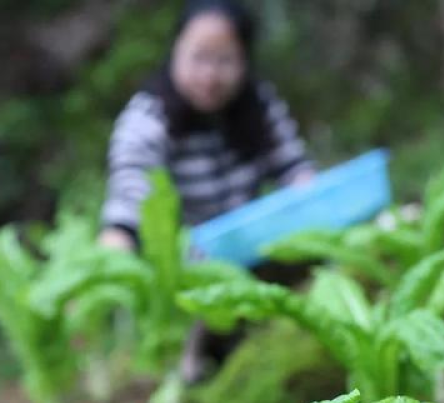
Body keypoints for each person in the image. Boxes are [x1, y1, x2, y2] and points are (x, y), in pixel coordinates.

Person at [99, 0, 315, 380]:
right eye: (198, 58)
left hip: (256, 266)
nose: (210, 76)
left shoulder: (258, 106)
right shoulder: (148, 121)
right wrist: (100, 273)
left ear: (245, 60)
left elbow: (296, 173)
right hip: (188, 288)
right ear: (175, 51)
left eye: (225, 60)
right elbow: (128, 211)